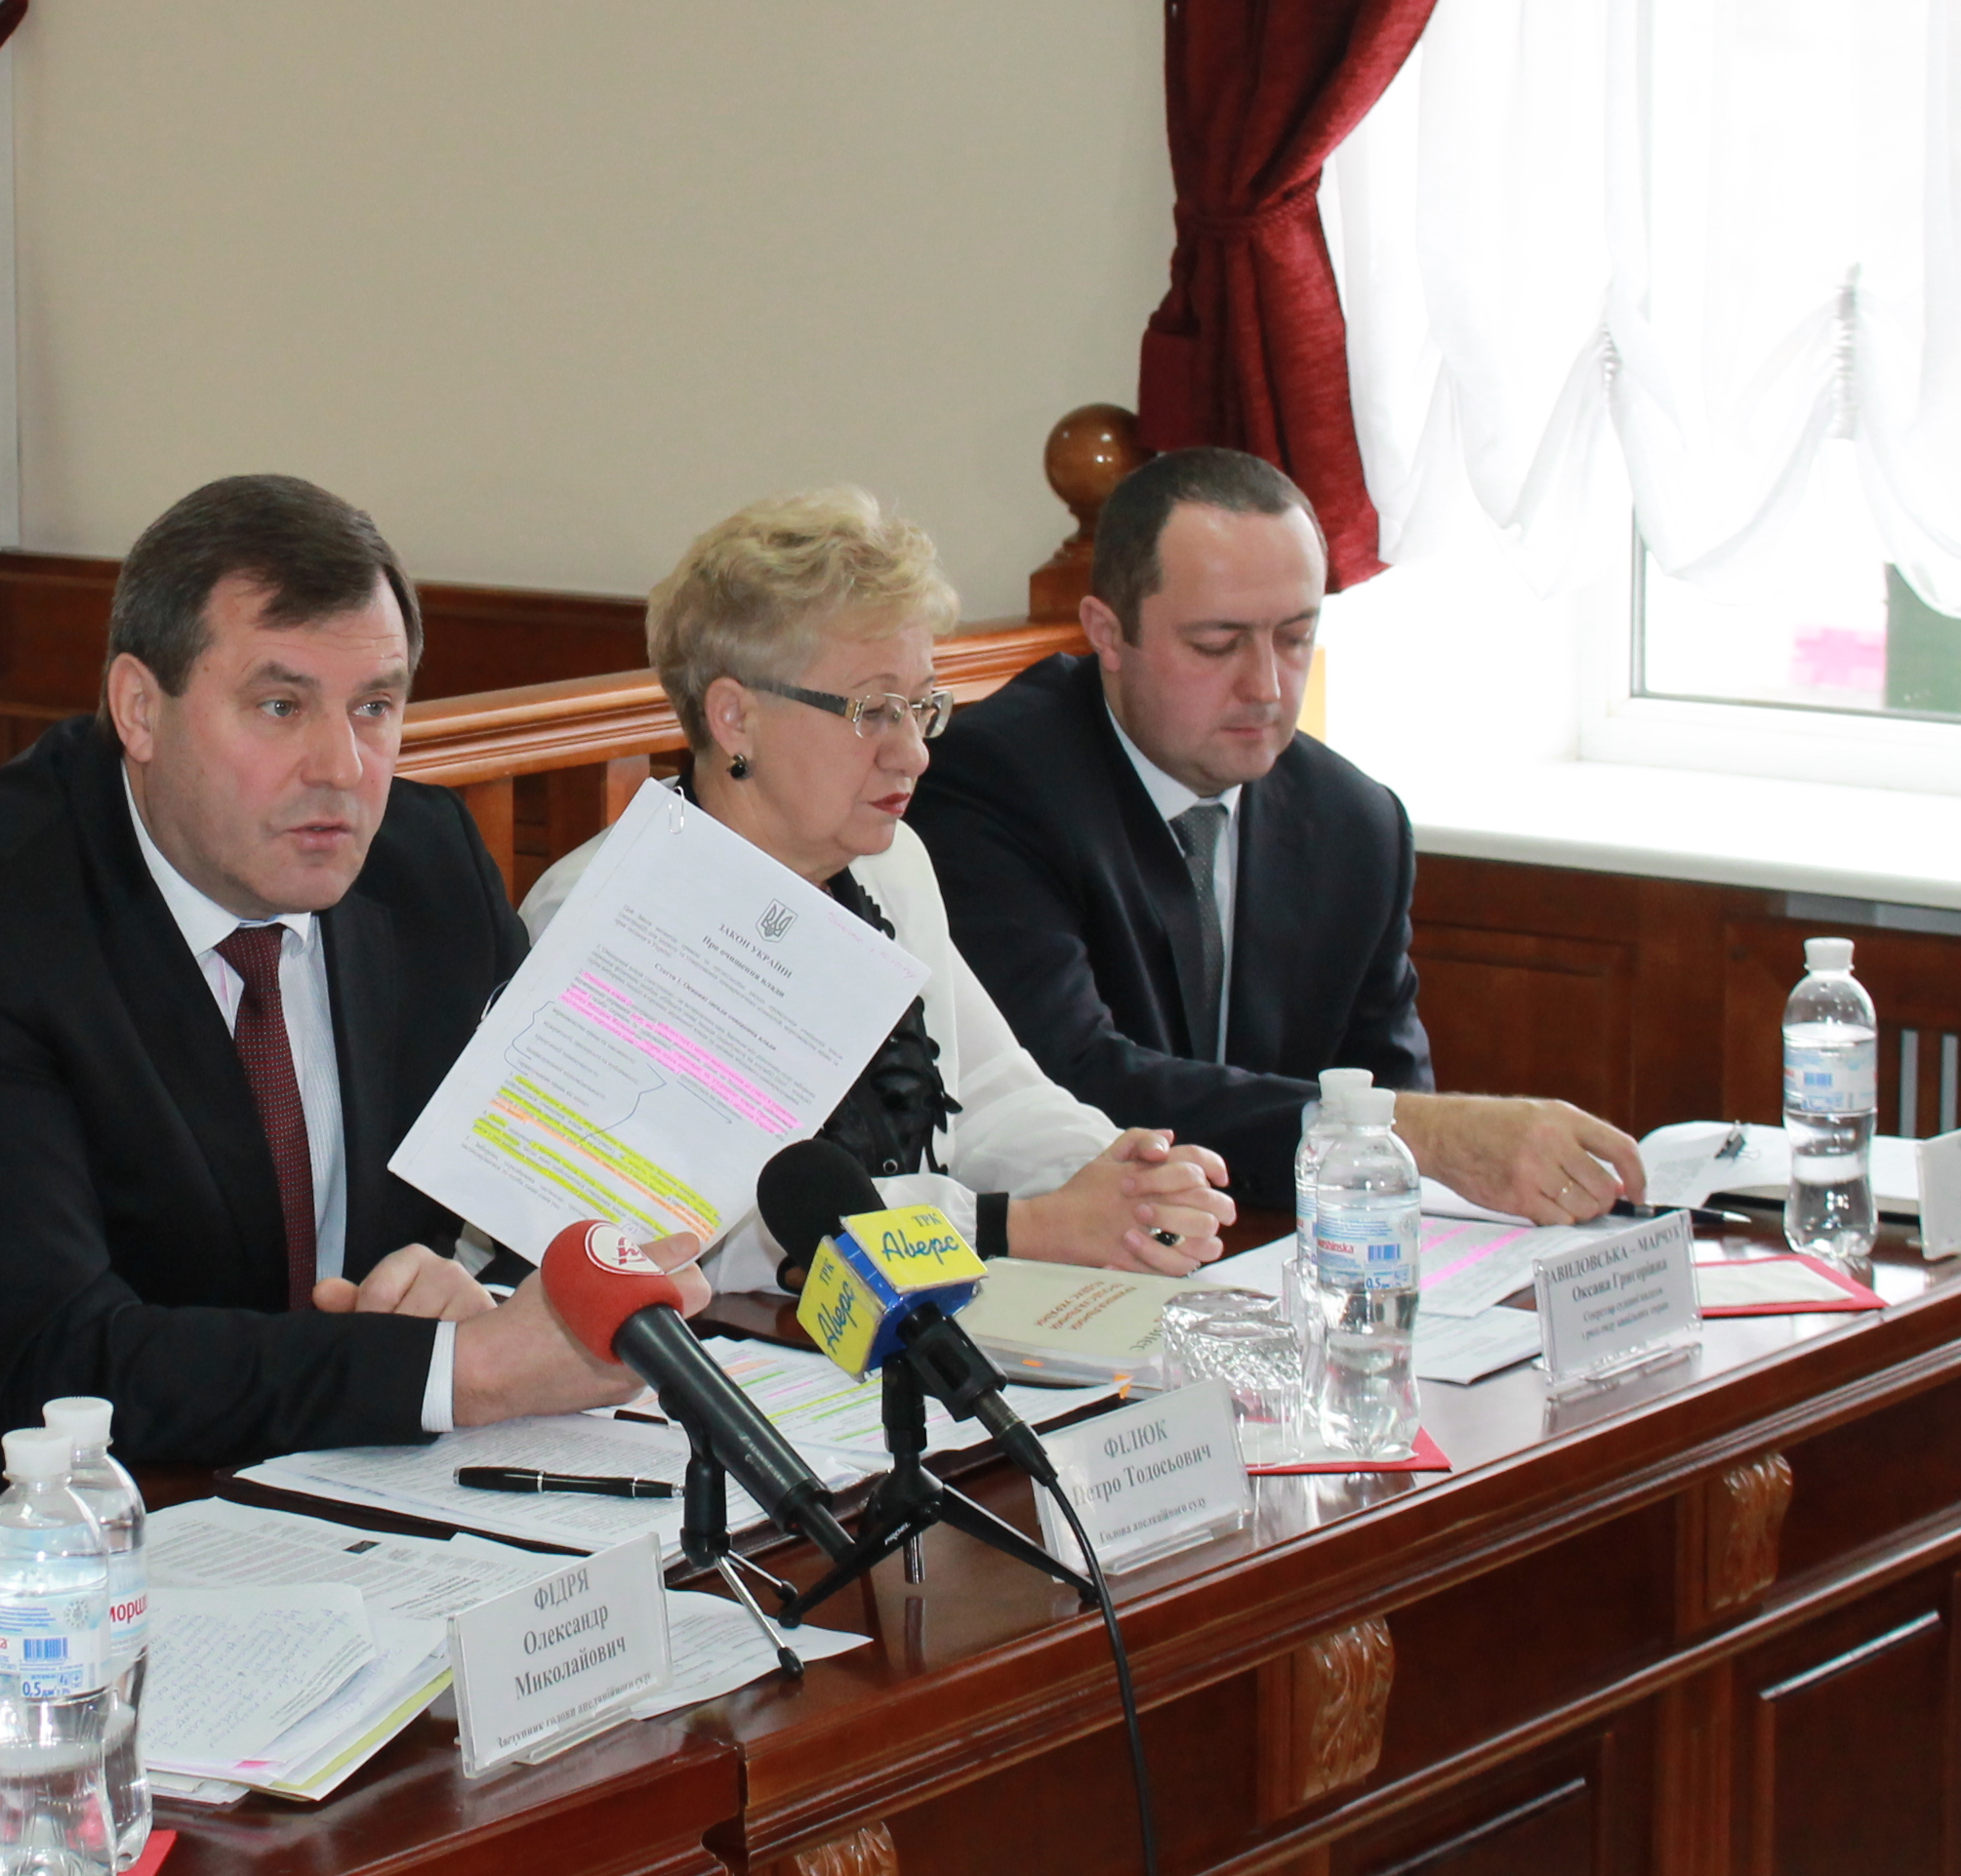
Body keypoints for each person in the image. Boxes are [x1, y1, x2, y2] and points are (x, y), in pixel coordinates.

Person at [0, 474, 711, 1472]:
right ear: (139, 710)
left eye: (374, 707)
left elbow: (538, 1189)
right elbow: (48, 1359)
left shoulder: (425, 862)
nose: (341, 767)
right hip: (112, 1508)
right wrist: (456, 1372)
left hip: (394, 1488)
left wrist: (495, 1302)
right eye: (280, 706)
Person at [523, 491, 1238, 1290]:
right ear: (734, 717)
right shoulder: (604, 910)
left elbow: (991, 1094)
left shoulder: (891, 864)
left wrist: (1121, 1176)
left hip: (904, 1316)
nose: (915, 754)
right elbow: (705, 1230)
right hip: (715, 1338)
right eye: (873, 711)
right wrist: (1018, 1226)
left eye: (922, 707)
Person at [909, 447, 1644, 1222]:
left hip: (1273, 1253)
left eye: (1295, 637)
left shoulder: (1355, 822)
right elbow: (1064, 1089)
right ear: (1109, 634)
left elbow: (1391, 1109)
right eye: (1217, 644)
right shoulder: (990, 785)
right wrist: (1415, 1133)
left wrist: (1424, 1139)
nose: (1265, 687)